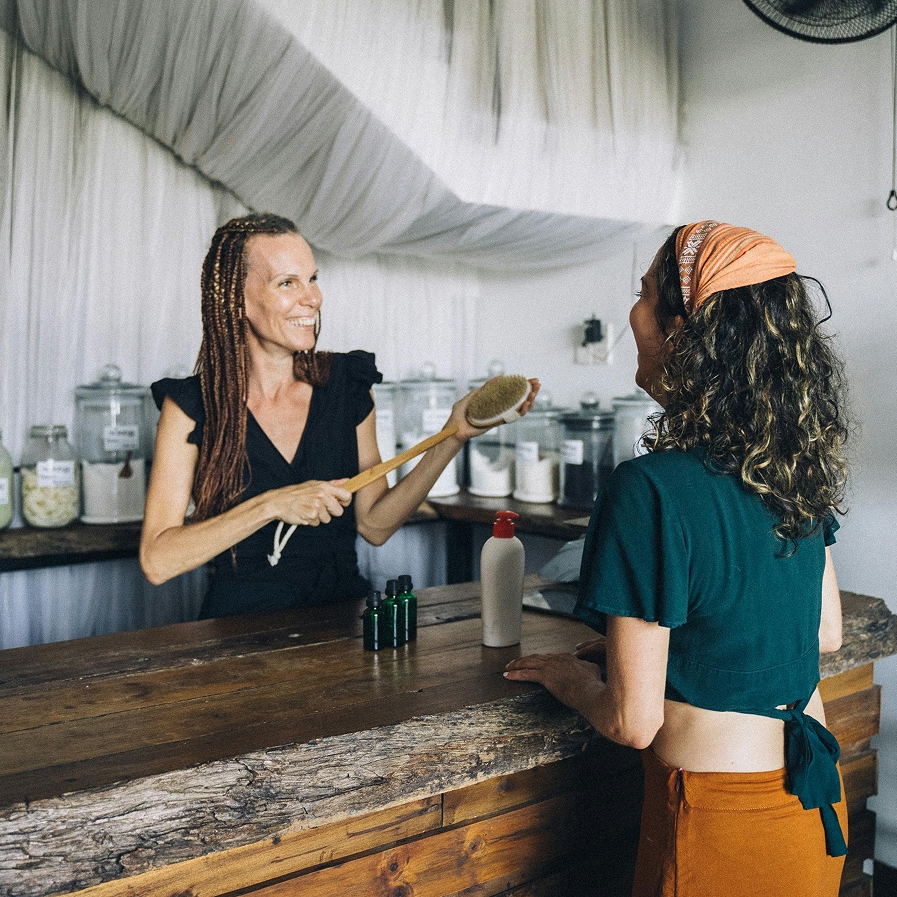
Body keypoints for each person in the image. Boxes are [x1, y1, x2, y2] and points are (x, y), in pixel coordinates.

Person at [505, 221, 850, 896]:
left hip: (722, 819)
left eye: (643, 294)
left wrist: (569, 679)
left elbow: (633, 722)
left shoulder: (649, 488)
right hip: (810, 800)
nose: (632, 312)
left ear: (683, 332)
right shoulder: (789, 463)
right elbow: (823, 631)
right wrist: (655, 654)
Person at [140, 212, 537, 618]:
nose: (312, 298)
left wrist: (452, 435)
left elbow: (374, 526)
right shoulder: (190, 405)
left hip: (342, 624)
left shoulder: (347, 385)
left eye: (312, 279)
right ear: (234, 298)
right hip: (238, 630)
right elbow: (157, 561)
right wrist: (271, 505)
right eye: (287, 283)